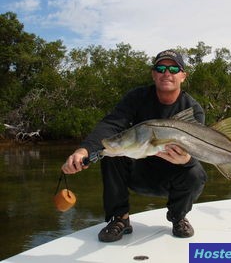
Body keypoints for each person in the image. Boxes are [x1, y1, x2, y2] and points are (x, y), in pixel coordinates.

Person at [62, 49, 207, 242]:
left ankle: (178, 217)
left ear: (183, 76)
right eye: (161, 68)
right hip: (139, 173)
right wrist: (84, 150)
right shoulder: (137, 97)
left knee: (196, 173)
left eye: (173, 68)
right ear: (153, 73)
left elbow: (197, 152)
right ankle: (120, 219)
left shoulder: (193, 109)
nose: (167, 73)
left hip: (172, 179)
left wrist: (187, 160)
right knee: (110, 153)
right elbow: (111, 124)